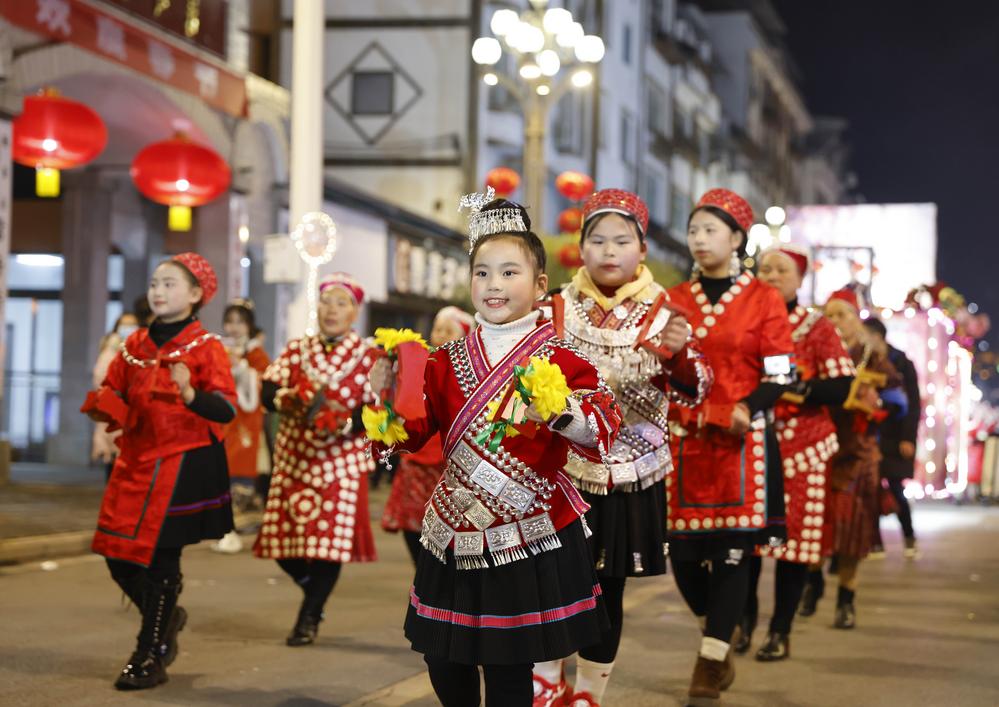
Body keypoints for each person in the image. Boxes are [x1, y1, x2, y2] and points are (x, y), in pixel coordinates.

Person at [366, 195, 622, 707]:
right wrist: (385, 396)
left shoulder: (564, 358)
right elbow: (408, 436)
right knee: (444, 658)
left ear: (540, 285)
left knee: (509, 664)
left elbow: (603, 430)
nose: (494, 285)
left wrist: (559, 413)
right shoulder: (443, 360)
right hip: (452, 527)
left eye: (509, 272)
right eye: (482, 273)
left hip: (526, 531)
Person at [532, 189, 710, 707]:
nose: (609, 251)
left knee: (607, 588)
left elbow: (699, 388)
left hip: (631, 472)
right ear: (580, 248)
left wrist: (678, 358)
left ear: (642, 249)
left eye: (622, 241)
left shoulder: (665, 314)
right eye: (598, 240)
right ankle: (545, 686)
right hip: (557, 469)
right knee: (547, 580)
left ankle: (589, 695)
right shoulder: (553, 308)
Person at [666, 189, 795, 706]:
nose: (699, 239)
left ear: (738, 238)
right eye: (693, 230)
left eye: (710, 230)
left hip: (744, 443)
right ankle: (715, 631)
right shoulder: (673, 298)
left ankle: (710, 659)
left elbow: (781, 372)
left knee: (733, 554)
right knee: (682, 556)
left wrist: (749, 406)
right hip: (685, 441)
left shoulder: (764, 299)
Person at [84, 253, 236, 690]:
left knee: (163, 558)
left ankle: (149, 654)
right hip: (135, 460)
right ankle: (168, 616)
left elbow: (226, 408)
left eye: (170, 284)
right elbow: (114, 389)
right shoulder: (133, 345)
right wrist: (105, 404)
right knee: (115, 553)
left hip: (183, 461)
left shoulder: (206, 346)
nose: (158, 291)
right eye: (155, 283)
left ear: (195, 294)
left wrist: (189, 393)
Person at [737, 245, 855, 661]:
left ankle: (780, 631)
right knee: (746, 542)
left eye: (781, 269)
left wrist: (798, 388)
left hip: (804, 449)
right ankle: (743, 622)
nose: (771, 275)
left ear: (800, 278)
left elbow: (842, 384)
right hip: (750, 443)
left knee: (795, 545)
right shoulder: (744, 319)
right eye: (765, 268)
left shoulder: (815, 326)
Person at [254, 272, 383, 647]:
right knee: (283, 544)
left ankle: (309, 616)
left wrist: (345, 423)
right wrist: (288, 401)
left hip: (341, 464)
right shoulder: (298, 349)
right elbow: (268, 389)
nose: (332, 310)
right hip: (294, 460)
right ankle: (314, 591)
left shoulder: (369, 357)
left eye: (342, 303)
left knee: (328, 547)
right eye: (327, 301)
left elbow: (378, 408)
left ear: (355, 312)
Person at [810, 288, 902, 629]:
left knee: (852, 527)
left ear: (856, 318)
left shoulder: (872, 356)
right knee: (816, 522)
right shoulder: (814, 349)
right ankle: (811, 580)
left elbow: (898, 400)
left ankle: (846, 598)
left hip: (859, 453)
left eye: (842, 314)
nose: (835, 322)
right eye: (829, 315)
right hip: (821, 448)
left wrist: (874, 406)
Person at [381, 306, 475, 564]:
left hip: (446, 463)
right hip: (416, 456)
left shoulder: (470, 373)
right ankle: (421, 569)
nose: (441, 335)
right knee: (412, 526)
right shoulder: (420, 363)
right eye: (437, 329)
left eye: (449, 331)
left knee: (445, 527)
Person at [213, 299, 271, 554]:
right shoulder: (219, 350)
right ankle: (225, 529)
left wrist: (243, 369)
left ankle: (234, 529)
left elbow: (265, 384)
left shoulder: (256, 354)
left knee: (239, 474)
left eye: (240, 322)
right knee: (221, 475)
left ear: (249, 325)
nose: (234, 327)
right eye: (230, 321)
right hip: (223, 421)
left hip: (247, 424)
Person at [863, 317, 921, 558]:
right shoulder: (863, 360)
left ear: (877, 336)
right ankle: (875, 542)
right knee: (871, 489)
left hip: (896, 436)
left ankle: (909, 537)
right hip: (870, 434)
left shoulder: (901, 362)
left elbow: (914, 403)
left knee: (896, 488)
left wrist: (908, 438)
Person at [92, 312, 141, 479]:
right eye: (124, 325)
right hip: (114, 414)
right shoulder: (110, 350)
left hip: (136, 416)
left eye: (132, 324)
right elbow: (100, 380)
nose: (128, 329)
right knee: (113, 466)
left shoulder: (143, 349)